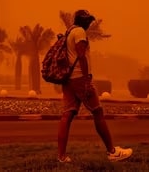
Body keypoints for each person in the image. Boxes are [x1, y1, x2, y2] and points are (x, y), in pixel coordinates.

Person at [57, 9, 133, 163]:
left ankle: (61, 156)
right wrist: (86, 80)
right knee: (98, 112)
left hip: (69, 80)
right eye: (87, 20)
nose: (89, 23)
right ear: (80, 20)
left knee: (67, 115)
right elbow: (81, 56)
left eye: (89, 20)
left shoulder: (69, 32)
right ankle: (112, 152)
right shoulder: (79, 32)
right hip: (80, 78)